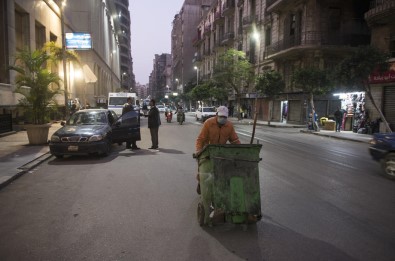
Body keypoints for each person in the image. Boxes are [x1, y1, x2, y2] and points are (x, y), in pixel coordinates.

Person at [195, 106, 241, 194]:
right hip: (207, 151)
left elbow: (235, 140)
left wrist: (240, 151)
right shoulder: (208, 123)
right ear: (216, 115)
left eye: (224, 117)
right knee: (203, 171)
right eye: (221, 116)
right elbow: (201, 139)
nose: (223, 119)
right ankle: (201, 183)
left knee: (222, 171)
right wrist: (198, 151)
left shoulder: (229, 126)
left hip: (221, 152)